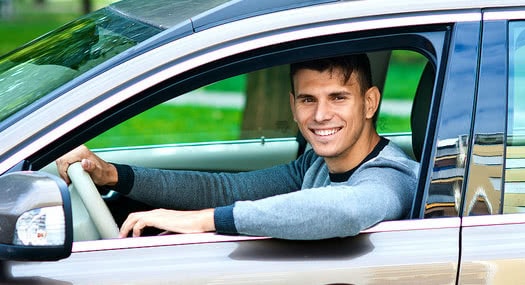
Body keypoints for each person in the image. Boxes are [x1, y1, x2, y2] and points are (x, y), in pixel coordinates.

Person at [56, 54, 419, 240]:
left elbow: (346, 213)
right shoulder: (315, 166)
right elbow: (227, 189)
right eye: (308, 100)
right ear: (293, 106)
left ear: (369, 103)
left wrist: (202, 221)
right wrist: (111, 174)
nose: (321, 115)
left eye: (338, 98)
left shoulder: (391, 177)